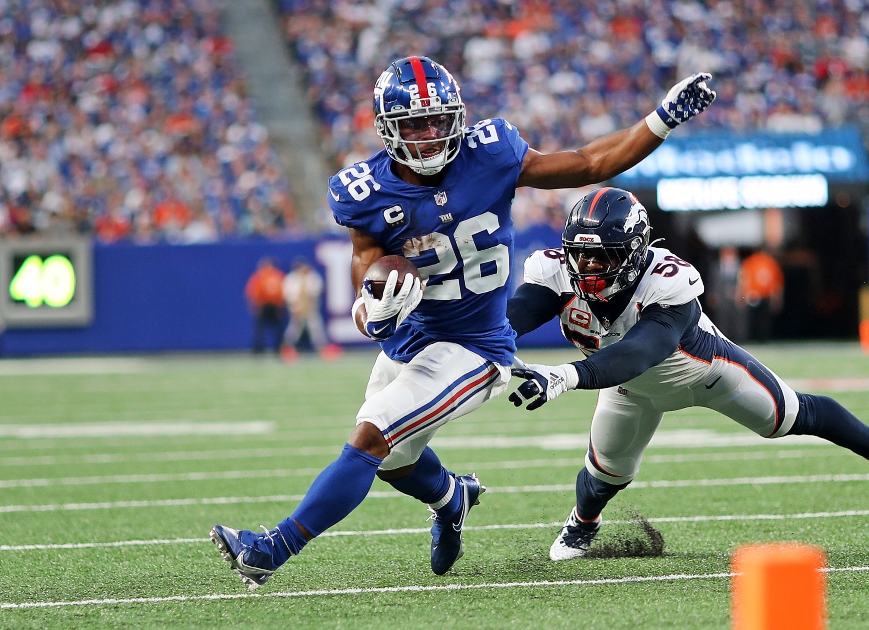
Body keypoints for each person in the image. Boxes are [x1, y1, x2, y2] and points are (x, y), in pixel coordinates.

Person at [210, 56, 717, 586]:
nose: (430, 135)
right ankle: (453, 497)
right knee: (392, 460)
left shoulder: (491, 153)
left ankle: (271, 549)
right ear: (388, 129)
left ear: (458, 116)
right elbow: (367, 273)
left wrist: (660, 118)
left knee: (369, 438)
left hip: (474, 347)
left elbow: (589, 163)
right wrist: (374, 309)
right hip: (412, 340)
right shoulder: (363, 192)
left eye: (438, 120)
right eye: (414, 124)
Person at [504, 188, 869, 561]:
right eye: (582, 255)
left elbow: (642, 351)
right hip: (629, 389)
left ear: (636, 253)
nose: (590, 267)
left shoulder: (667, 280)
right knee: (606, 471)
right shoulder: (554, 271)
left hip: (706, 373)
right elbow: (510, 321)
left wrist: (563, 375)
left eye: (604, 256)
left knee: (788, 417)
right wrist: (471, 349)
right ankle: (583, 522)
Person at [280, 257, 339, 361]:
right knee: (294, 330)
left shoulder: (312, 277)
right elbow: (289, 296)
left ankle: (323, 349)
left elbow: (316, 293)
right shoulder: (291, 279)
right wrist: (297, 307)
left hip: (311, 308)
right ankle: (287, 349)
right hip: (296, 309)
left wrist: (308, 305)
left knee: (316, 329)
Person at [737, 247, 784, 342]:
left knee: (764, 322)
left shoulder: (770, 263)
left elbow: (777, 283)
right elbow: (743, 279)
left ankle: (763, 340)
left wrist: (777, 298)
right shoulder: (752, 262)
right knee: (754, 321)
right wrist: (742, 295)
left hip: (765, 296)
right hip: (753, 296)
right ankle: (754, 339)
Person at [244, 257, 285, 355]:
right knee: (260, 329)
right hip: (263, 305)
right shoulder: (259, 276)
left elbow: (283, 291)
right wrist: (255, 305)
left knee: (278, 329)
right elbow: (252, 292)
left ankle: (278, 348)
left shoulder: (278, 275)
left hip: (275, 305)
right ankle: (258, 349)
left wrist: (281, 305)